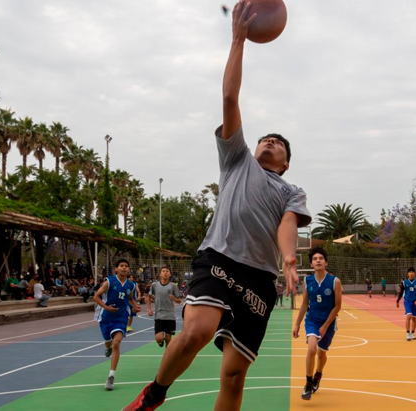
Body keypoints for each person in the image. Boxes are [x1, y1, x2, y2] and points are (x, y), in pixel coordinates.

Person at [122, 3, 311, 409]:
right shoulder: (237, 159)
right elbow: (229, 95)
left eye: (278, 143)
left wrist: (291, 259)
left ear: (286, 161)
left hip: (260, 278)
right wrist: (238, 40)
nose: (269, 141)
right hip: (220, 258)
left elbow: (288, 222)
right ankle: (154, 393)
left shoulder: (290, 189)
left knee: (234, 376)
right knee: (195, 332)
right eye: (266, 137)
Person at [292, 247, 341, 401]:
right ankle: (308, 384)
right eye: (315, 259)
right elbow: (305, 303)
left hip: (328, 321)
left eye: (321, 258)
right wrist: (297, 324)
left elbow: (337, 306)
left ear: (325, 262)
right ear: (311, 264)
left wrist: (326, 325)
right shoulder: (308, 280)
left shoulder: (335, 281)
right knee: (312, 349)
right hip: (312, 319)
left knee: (322, 353)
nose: (318, 260)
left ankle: (318, 374)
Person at [94, 259, 140, 391]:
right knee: (109, 343)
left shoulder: (130, 285)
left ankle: (111, 376)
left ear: (128, 269)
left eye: (126, 266)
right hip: (106, 317)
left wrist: (135, 306)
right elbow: (96, 297)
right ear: (116, 269)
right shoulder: (109, 281)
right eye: (121, 266)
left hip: (121, 317)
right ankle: (106, 345)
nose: (124, 268)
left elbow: (130, 298)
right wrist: (106, 307)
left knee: (117, 343)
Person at [147, 266, 182, 348]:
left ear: (170, 274)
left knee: (168, 337)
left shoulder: (173, 286)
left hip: (170, 315)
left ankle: (167, 356)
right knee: (159, 338)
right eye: (163, 271)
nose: (165, 272)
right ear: (160, 274)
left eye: (167, 271)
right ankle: (160, 341)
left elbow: (179, 300)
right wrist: (149, 309)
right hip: (159, 315)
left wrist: (174, 299)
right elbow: (148, 297)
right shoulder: (154, 285)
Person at [396, 267, 416, 341]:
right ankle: (407, 333)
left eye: (412, 272)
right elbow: (401, 292)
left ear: (415, 274)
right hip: (407, 301)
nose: (411, 273)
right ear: (408, 274)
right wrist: (397, 301)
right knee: (409, 316)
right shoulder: (404, 282)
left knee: (414, 318)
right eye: (410, 272)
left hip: (415, 301)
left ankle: (413, 333)